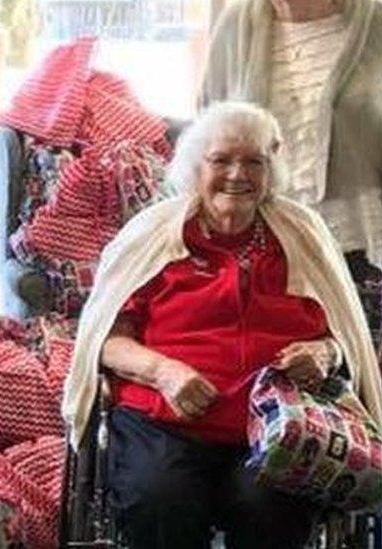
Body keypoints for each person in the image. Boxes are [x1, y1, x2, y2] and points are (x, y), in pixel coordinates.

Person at [62, 102, 382, 549]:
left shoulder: (303, 235)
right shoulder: (154, 235)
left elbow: (345, 332)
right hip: (163, 423)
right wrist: (164, 372)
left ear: (271, 171)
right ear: (196, 166)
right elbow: (106, 340)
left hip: (277, 429)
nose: (238, 174)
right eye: (222, 160)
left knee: (272, 508)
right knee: (161, 500)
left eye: (254, 161)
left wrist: (325, 353)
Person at [200, 0, 382, 345]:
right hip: (267, 253)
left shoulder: (374, 21)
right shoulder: (235, 23)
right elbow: (211, 136)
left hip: (365, 248)